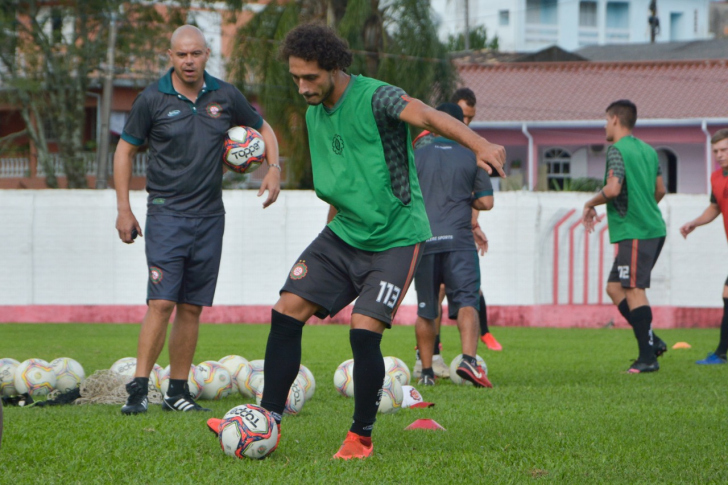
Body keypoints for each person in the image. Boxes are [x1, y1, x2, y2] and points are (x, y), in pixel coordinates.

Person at [259, 22, 505, 460]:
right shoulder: (315, 113)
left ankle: (360, 438)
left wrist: (479, 143)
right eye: (296, 77)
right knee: (285, 311)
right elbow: (344, 182)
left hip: (395, 238)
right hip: (343, 233)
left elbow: (431, 116)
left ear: (334, 69)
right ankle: (265, 422)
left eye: (310, 77)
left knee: (363, 332)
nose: (302, 87)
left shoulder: (377, 96)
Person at [114, 25, 281, 415]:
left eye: (196, 54)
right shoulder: (152, 98)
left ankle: (177, 391)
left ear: (207, 54)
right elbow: (124, 152)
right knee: (162, 301)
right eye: (181, 54)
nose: (189, 60)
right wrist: (124, 209)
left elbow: (264, 127)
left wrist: (273, 167)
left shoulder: (225, 95)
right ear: (169, 56)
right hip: (167, 213)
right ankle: (138, 390)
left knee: (191, 306)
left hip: (210, 216)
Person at [412, 88, 501, 381]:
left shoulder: (414, 153)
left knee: (426, 308)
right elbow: (486, 202)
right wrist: (467, 199)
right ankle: (468, 361)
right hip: (460, 242)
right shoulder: (472, 155)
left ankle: (425, 371)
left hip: (424, 241)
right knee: (466, 302)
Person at [582, 99, 667, 374]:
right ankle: (651, 340)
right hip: (650, 229)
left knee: (633, 289)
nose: (605, 125)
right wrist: (645, 207)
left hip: (636, 231)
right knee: (615, 287)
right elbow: (661, 190)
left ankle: (647, 359)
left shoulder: (617, 149)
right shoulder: (648, 150)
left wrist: (590, 203)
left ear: (616, 119)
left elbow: (613, 187)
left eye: (606, 119)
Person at [680, 129, 728, 365]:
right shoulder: (716, 178)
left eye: (724, 150)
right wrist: (694, 223)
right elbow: (715, 208)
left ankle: (720, 353)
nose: (720, 155)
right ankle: (720, 354)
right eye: (716, 151)